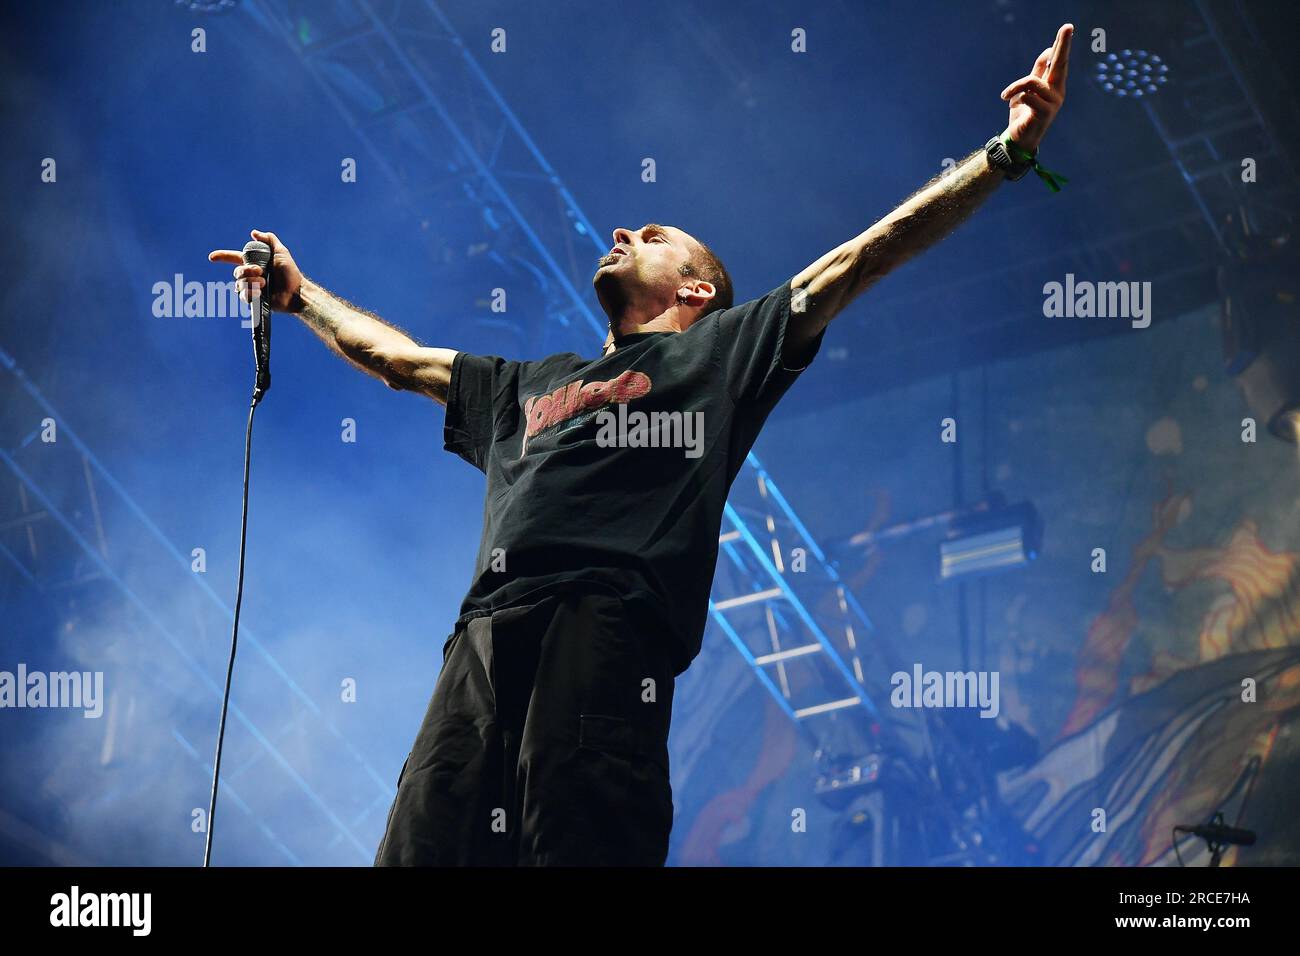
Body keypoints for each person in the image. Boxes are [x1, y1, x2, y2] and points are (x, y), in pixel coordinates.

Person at [209, 24, 1073, 866]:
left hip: (606, 633)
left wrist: (1005, 152)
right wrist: (300, 294)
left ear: (696, 289)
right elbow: (398, 361)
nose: (624, 232)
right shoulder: (526, 383)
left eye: (653, 236)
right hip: (478, 645)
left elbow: (857, 260)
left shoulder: (720, 352)